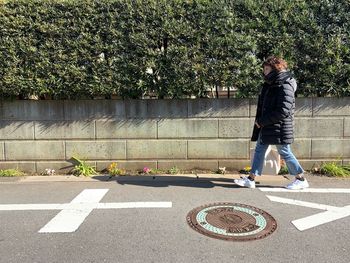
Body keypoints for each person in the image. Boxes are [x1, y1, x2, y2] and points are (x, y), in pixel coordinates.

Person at [234, 56, 309, 190]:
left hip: (279, 127)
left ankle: (301, 178)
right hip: (269, 126)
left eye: (267, 69)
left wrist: (262, 121)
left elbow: (283, 110)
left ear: (276, 68)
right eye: (264, 69)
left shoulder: (285, 83)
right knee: (259, 150)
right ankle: (251, 179)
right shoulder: (273, 82)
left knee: (285, 152)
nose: (265, 72)